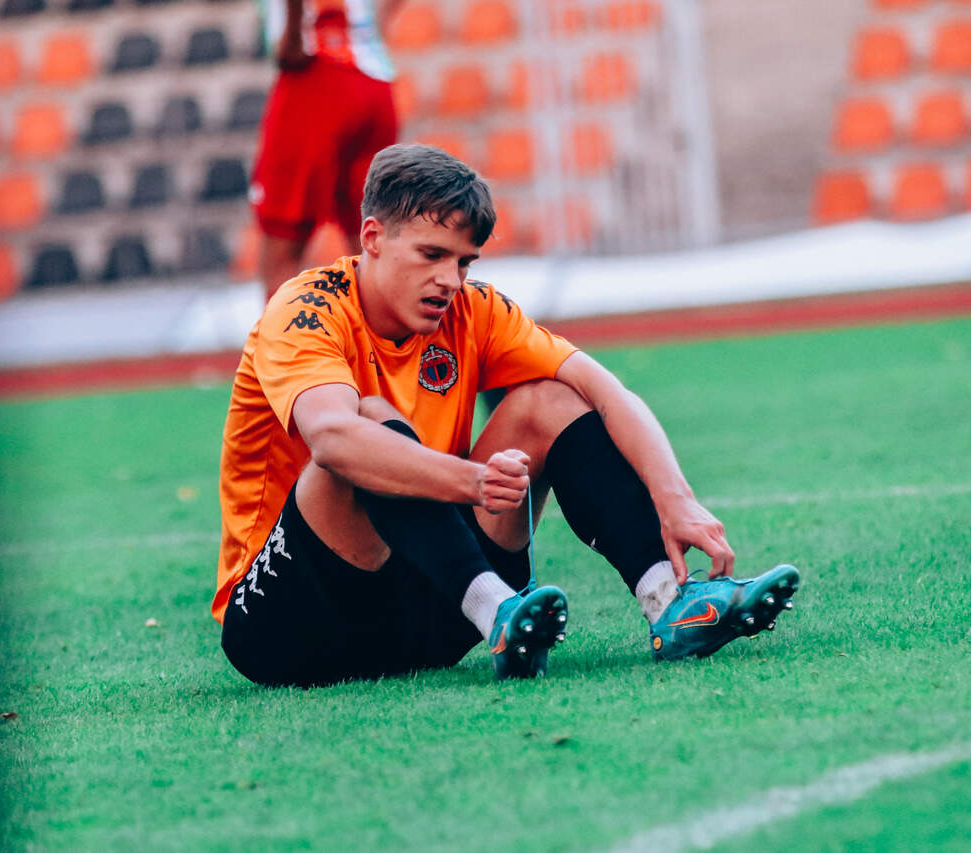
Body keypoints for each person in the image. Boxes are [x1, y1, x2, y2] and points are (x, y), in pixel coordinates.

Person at [216, 144, 799, 687]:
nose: (449, 280)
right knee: (367, 418)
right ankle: (495, 607)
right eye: (431, 255)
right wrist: (472, 482)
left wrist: (675, 498)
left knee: (547, 399)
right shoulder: (305, 309)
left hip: (426, 610)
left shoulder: (474, 311)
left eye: (464, 262)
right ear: (372, 236)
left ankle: (668, 600)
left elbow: (606, 390)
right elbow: (332, 438)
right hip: (288, 625)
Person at [249, 0, 406, 302]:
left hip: (313, 81)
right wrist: (371, 31)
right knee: (373, 241)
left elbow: (290, 52)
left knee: (283, 248)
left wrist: (294, 25)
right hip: (374, 83)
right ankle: (387, 333)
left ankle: (286, 333)